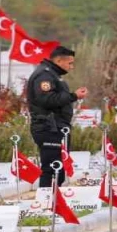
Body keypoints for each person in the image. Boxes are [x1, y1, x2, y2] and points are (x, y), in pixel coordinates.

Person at [25, 46, 87, 187]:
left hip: (56, 127)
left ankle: (54, 198)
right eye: (70, 63)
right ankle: (46, 199)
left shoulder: (53, 75)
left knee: (58, 169)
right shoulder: (44, 75)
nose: (71, 67)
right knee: (52, 168)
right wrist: (73, 96)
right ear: (59, 60)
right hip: (48, 127)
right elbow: (46, 99)